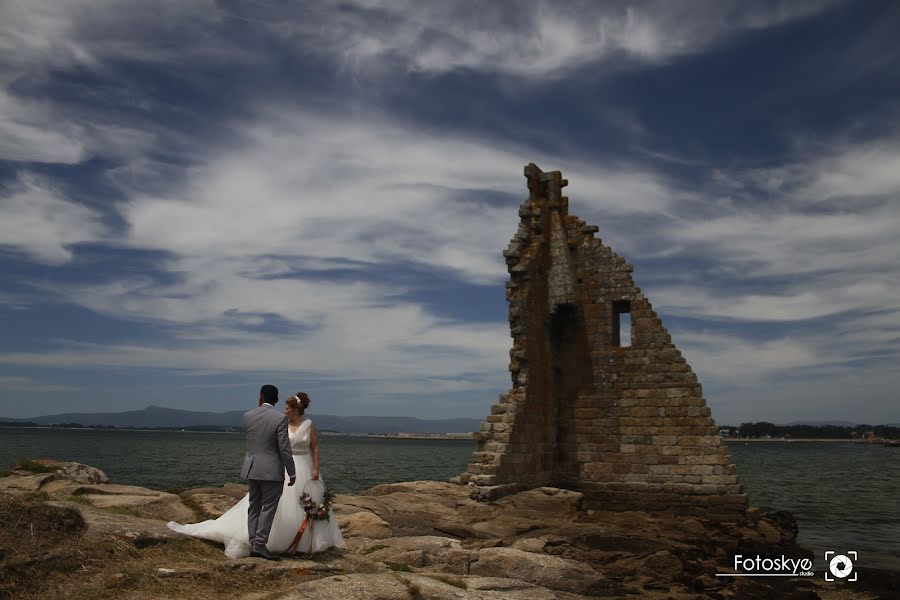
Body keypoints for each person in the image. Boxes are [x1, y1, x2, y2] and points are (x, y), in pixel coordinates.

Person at [167, 389, 343, 558]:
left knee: (291, 504)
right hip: (280, 466)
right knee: (273, 506)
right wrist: (289, 471)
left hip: (303, 464)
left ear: (296, 409)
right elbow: (278, 446)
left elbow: (315, 448)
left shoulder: (308, 425)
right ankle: (266, 540)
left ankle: (300, 540)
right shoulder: (281, 421)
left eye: (288, 408)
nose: (285, 410)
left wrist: (316, 468)